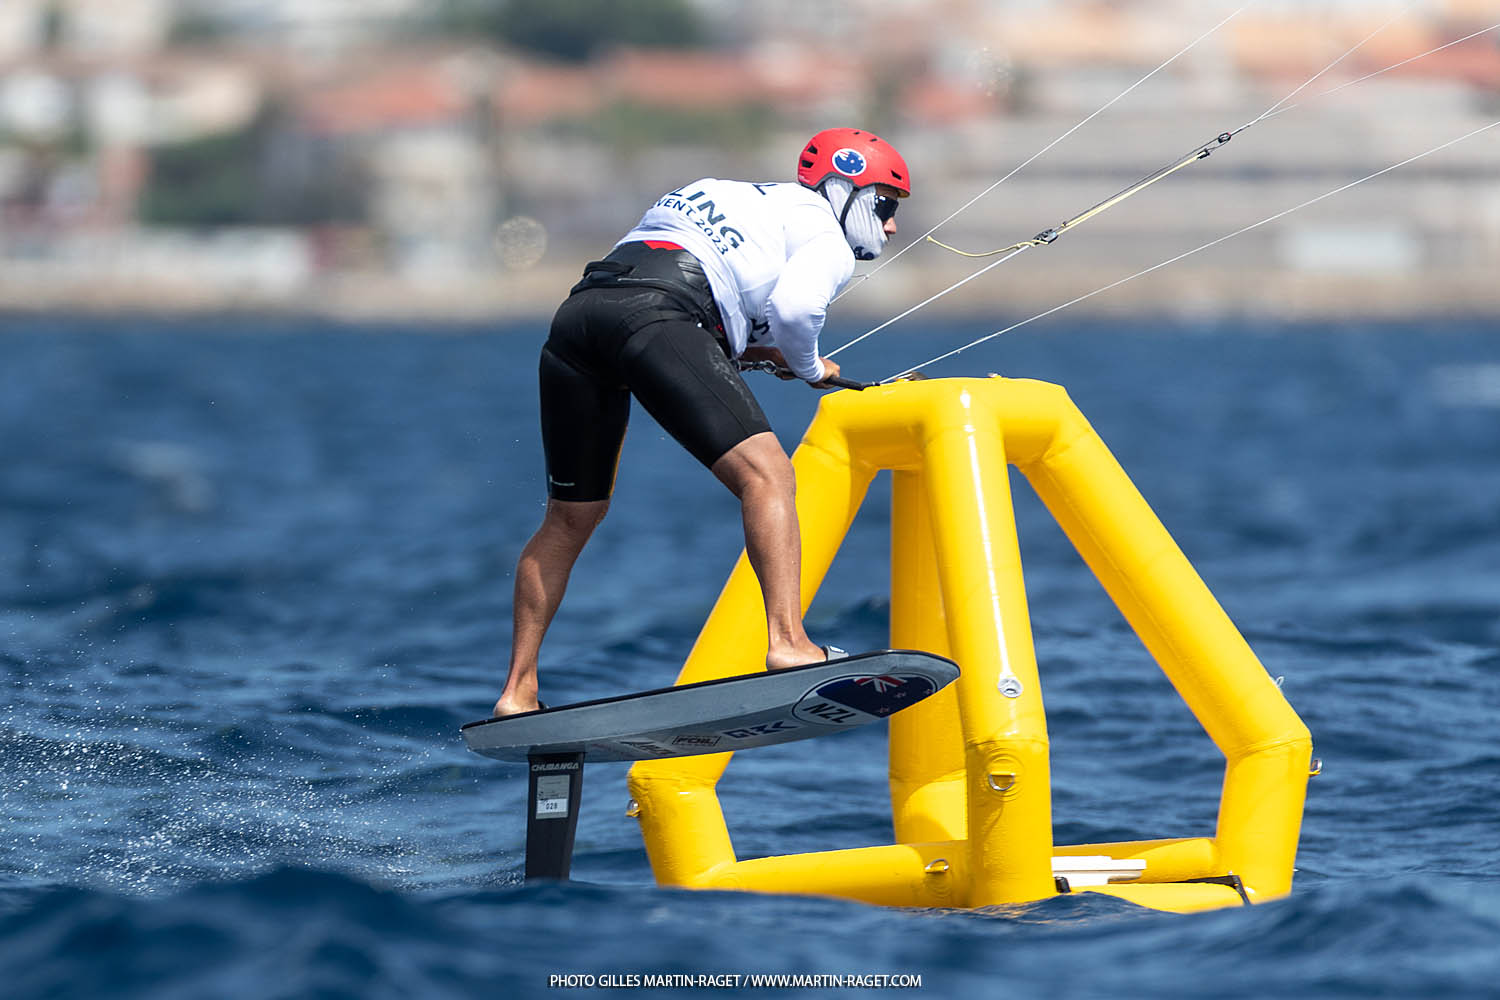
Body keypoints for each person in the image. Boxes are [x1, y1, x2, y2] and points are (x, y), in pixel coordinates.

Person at [492, 127, 910, 717]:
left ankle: (517, 692)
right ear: (845, 190)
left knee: (569, 517)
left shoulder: (720, 191)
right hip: (658, 318)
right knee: (767, 475)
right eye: (885, 206)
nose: (891, 226)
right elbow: (793, 310)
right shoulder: (826, 235)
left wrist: (755, 352)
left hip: (579, 319)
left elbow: (671, 286)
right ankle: (790, 644)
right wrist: (810, 367)